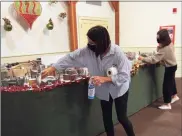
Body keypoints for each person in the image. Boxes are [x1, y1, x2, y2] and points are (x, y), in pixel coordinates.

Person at [41, 25, 135, 136]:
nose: (89, 45)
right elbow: (71, 57)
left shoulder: (116, 52)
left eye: (92, 42)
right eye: (89, 41)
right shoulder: (87, 51)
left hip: (119, 89)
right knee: (106, 117)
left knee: (122, 118)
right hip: (104, 90)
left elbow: (124, 75)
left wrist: (105, 79)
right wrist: (54, 67)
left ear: (101, 42)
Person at [138, 29, 179, 110]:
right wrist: (160, 47)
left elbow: (154, 59)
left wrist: (141, 58)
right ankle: (175, 96)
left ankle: (167, 104)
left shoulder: (164, 49)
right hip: (174, 65)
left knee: (166, 85)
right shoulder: (170, 44)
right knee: (171, 82)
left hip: (169, 67)